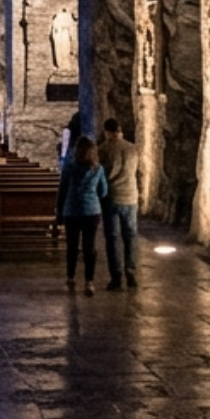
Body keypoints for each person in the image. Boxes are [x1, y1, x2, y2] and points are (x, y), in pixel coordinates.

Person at [59, 137, 110, 294]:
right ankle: (89, 281)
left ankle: (71, 277)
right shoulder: (98, 169)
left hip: (72, 210)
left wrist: (59, 210)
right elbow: (103, 191)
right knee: (89, 246)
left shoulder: (69, 168)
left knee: (72, 246)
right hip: (91, 211)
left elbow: (62, 190)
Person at [99, 117, 141, 289]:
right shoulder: (133, 149)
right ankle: (131, 272)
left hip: (111, 198)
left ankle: (116, 277)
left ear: (107, 132)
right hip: (131, 197)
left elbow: (100, 175)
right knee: (130, 236)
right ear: (120, 130)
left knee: (112, 239)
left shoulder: (103, 149)